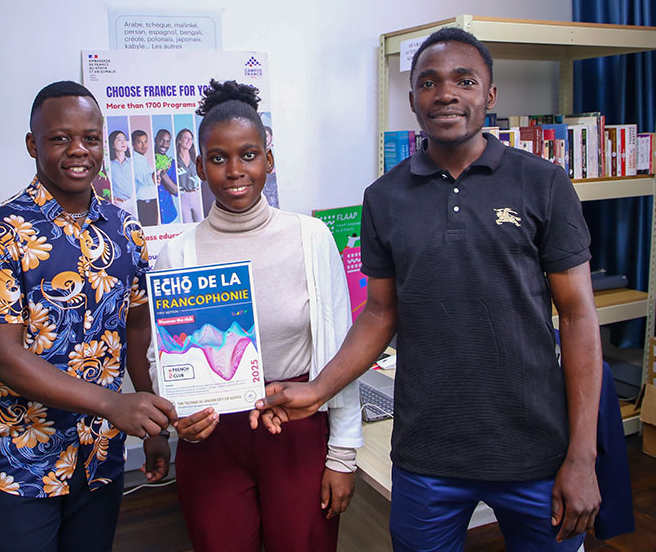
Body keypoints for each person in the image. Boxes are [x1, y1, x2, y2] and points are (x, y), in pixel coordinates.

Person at [255, 28, 602, 550]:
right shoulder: (385, 198)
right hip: (427, 454)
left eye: (465, 80)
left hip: (535, 449)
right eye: (429, 82)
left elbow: (577, 318)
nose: (446, 93)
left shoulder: (544, 183)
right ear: (414, 98)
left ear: (489, 95)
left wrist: (582, 455)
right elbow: (378, 313)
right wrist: (318, 389)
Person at [149, 79, 362, 551]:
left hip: (297, 426)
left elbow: (341, 350)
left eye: (248, 154)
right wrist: (178, 416)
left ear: (269, 158)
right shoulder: (178, 255)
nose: (234, 170)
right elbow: (159, 359)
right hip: (212, 434)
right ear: (199, 166)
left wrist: (342, 454)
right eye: (218, 159)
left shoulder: (310, 238)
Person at [0, 81, 177, 551]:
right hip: (22, 461)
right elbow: (5, 358)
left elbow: (138, 328)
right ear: (32, 144)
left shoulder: (125, 229)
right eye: (60, 138)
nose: (78, 150)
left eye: (91, 138)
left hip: (99, 456)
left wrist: (152, 418)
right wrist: (112, 404)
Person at [131, 129, 159, 226]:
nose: (144, 145)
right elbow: (146, 179)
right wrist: (159, 169)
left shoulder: (142, 158)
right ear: (133, 144)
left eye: (145, 141)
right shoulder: (134, 161)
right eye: (140, 142)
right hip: (145, 205)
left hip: (151, 203)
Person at [175, 127, 203, 222]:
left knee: (201, 225)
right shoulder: (174, 161)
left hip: (196, 196)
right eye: (186, 138)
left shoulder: (196, 159)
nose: (189, 141)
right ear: (179, 140)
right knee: (188, 227)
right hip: (183, 197)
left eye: (191, 139)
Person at [107, 129, 136, 216]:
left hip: (134, 204)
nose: (123, 142)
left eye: (124, 139)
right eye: (119, 139)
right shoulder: (109, 166)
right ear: (112, 144)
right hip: (119, 206)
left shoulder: (133, 162)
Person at [154, 128, 179, 224]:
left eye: (168, 142)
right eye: (162, 140)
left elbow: (176, 192)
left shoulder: (172, 164)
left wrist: (164, 174)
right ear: (156, 139)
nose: (165, 145)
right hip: (151, 216)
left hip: (170, 216)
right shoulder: (147, 160)